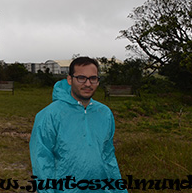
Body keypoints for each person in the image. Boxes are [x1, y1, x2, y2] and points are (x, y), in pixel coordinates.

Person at [29, 57, 127, 193]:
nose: (88, 84)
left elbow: (108, 156)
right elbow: (42, 160)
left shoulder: (104, 113)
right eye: (81, 78)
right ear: (70, 79)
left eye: (93, 78)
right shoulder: (49, 115)